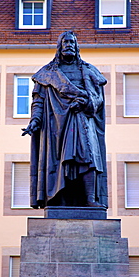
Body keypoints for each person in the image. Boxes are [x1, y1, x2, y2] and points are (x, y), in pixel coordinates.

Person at [22, 31, 108, 209]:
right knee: (59, 160)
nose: (69, 45)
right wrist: (35, 121)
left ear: (77, 47)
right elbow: (39, 100)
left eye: (72, 42)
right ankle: (58, 199)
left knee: (89, 158)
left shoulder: (89, 71)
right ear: (59, 47)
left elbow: (98, 99)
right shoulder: (47, 73)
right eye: (65, 42)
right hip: (56, 126)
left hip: (83, 121)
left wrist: (85, 102)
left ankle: (90, 198)